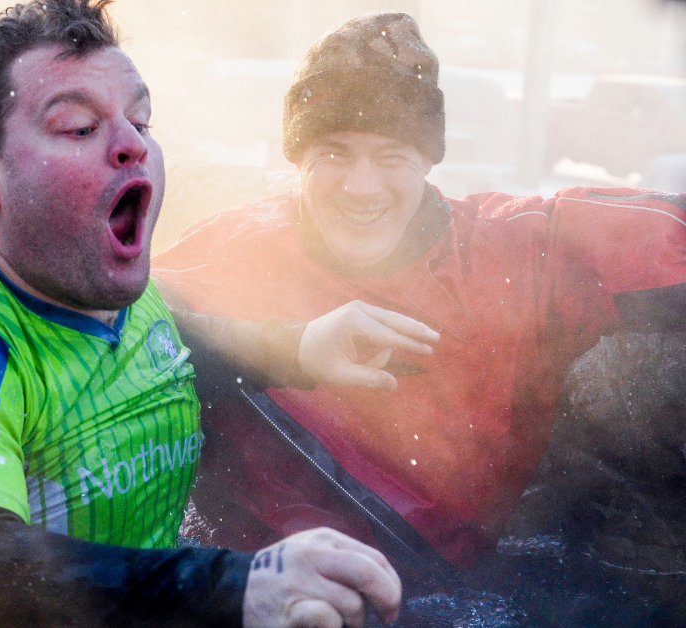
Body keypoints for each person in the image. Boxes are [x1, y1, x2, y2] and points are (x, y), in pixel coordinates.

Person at [0, 2, 441, 627]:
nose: (132, 145)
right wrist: (238, 586)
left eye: (139, 121)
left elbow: (177, 343)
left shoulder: (116, 297)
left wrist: (299, 348)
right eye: (80, 126)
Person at [152, 11, 686, 572]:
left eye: (392, 156)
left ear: (429, 161)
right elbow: (106, 326)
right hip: (254, 583)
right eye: (334, 151)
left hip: (440, 584)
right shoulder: (238, 245)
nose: (362, 186)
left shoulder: (512, 251)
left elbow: (662, 239)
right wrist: (288, 345)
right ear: (298, 158)